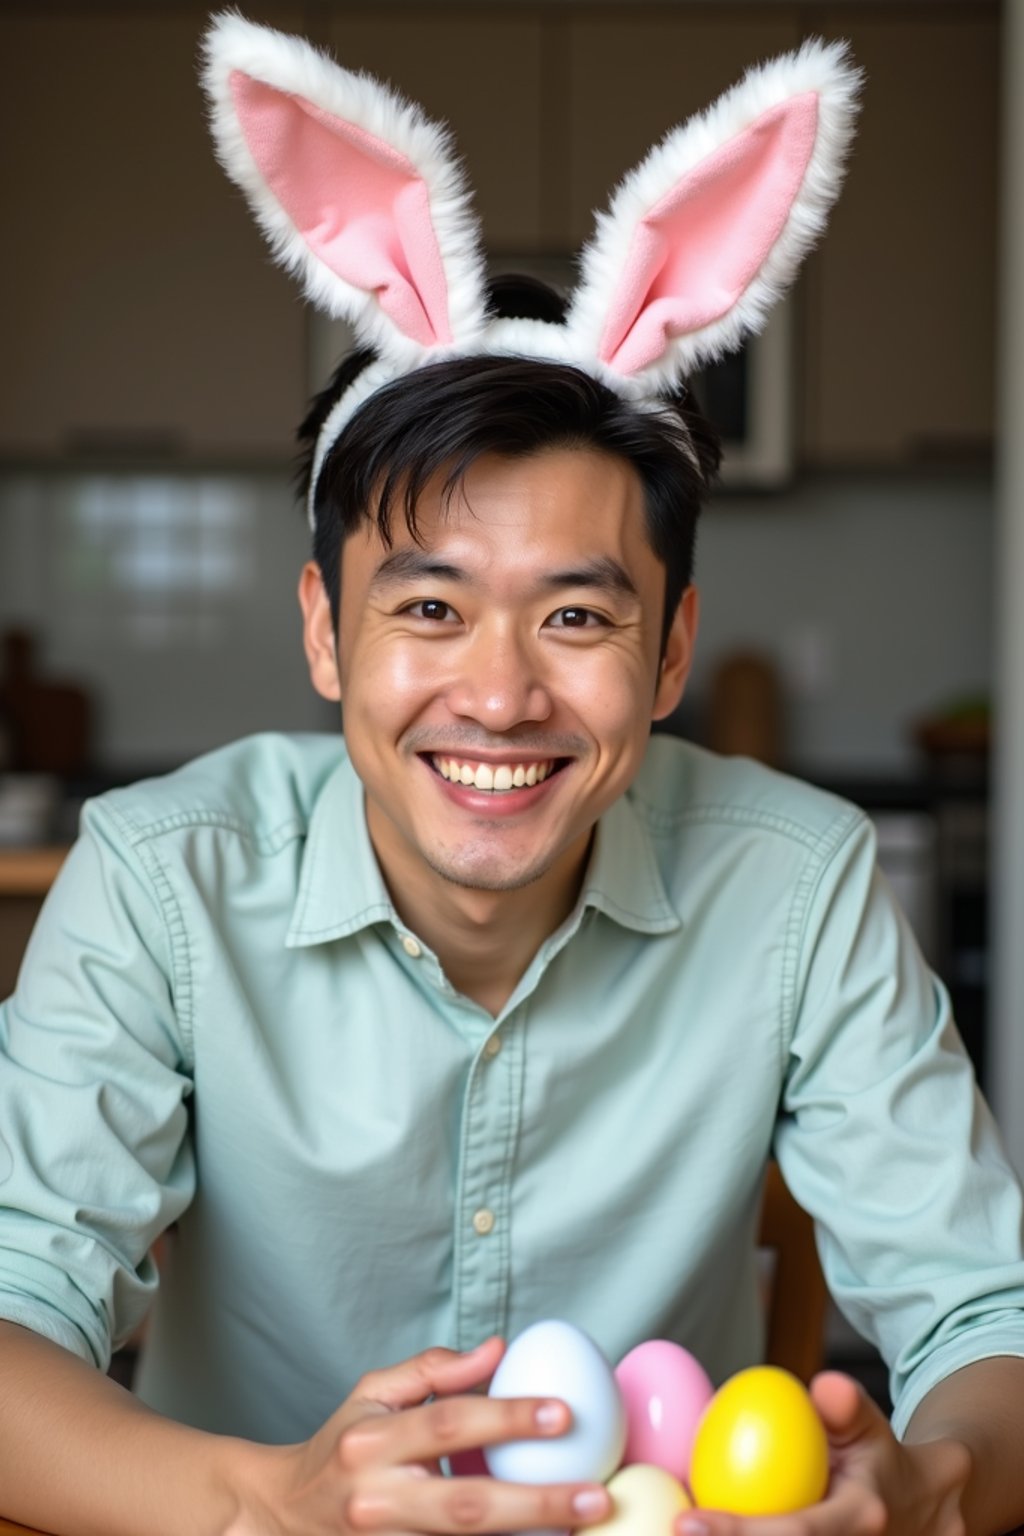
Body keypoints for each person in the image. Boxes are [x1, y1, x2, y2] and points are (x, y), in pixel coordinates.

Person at [1, 13, 1023, 1536]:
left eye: (576, 615)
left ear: (670, 654)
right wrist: (279, 1502)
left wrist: (930, 1484)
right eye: (427, 607)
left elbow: (985, 1324)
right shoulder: (162, 881)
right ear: (324, 636)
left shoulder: (798, 887)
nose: (499, 694)